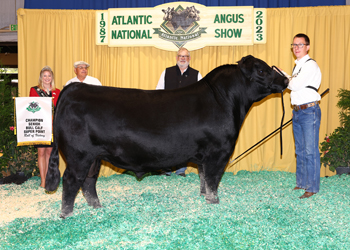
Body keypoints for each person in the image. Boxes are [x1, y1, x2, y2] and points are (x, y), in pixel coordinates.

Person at [283, 33, 322, 198]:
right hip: (299, 111)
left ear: (308, 47)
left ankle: (312, 187)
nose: (296, 48)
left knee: (310, 150)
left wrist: (283, 75)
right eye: (294, 45)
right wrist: (295, 110)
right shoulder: (298, 65)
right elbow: (296, 87)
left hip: (309, 111)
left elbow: (295, 84)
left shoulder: (310, 65)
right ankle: (301, 183)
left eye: (300, 44)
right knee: (300, 150)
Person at [156, 47, 202, 177]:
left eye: (185, 56)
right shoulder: (166, 72)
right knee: (166, 141)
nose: (183, 58)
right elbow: (158, 91)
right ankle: (166, 168)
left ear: (189, 59)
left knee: (185, 142)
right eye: (180, 56)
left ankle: (181, 170)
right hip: (168, 114)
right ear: (176, 58)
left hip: (188, 116)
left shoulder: (197, 74)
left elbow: (202, 96)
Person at [29, 66, 60, 188]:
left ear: (52, 77)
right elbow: (32, 107)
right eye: (45, 76)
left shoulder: (57, 91)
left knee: (49, 152)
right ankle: (42, 180)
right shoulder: (35, 90)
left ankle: (48, 178)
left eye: (49, 76)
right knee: (41, 152)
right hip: (40, 125)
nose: (47, 78)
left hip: (53, 126)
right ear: (41, 78)